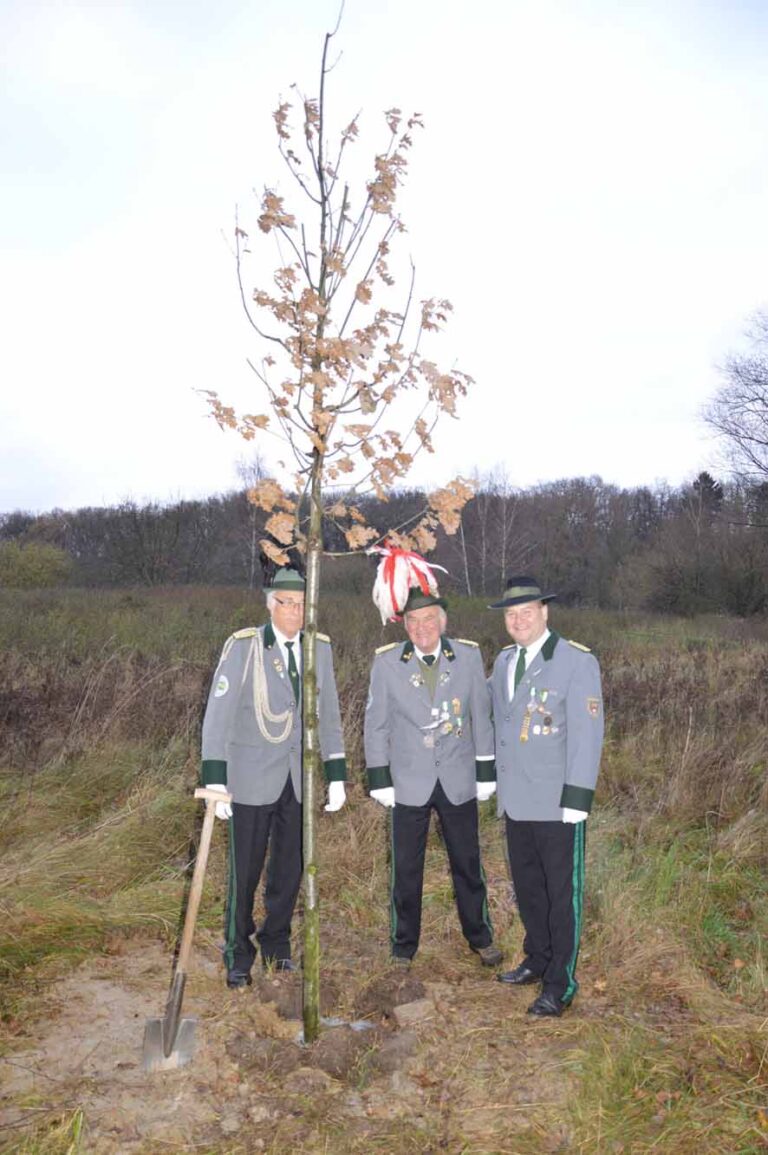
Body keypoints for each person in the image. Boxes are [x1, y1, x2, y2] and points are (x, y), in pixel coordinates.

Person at [200, 565, 347, 988]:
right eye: (287, 603)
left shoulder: (319, 648)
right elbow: (218, 717)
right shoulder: (244, 647)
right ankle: (238, 953)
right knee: (244, 873)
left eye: (302, 604)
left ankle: (277, 945)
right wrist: (215, 780)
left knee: (289, 870)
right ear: (271, 605)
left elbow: (330, 714)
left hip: (297, 779)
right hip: (248, 779)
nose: (295, 612)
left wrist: (335, 774)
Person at [364, 586, 503, 968]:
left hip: (458, 779)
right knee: (406, 868)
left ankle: (480, 937)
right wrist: (380, 777)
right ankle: (403, 946)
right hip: (408, 781)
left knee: (467, 863)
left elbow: (481, 715)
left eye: (428, 619)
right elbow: (375, 724)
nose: (421, 628)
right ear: (404, 625)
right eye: (413, 621)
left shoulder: (468, 656)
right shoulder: (388, 662)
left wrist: (485, 772)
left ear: (442, 622)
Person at [488, 575, 603, 1017]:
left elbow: (587, 735)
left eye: (527, 612)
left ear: (545, 612)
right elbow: (498, 721)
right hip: (517, 799)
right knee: (529, 888)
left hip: (559, 803)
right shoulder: (503, 663)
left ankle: (561, 981)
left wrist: (578, 797)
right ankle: (536, 958)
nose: (518, 621)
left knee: (561, 895)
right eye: (511, 615)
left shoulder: (575, 662)